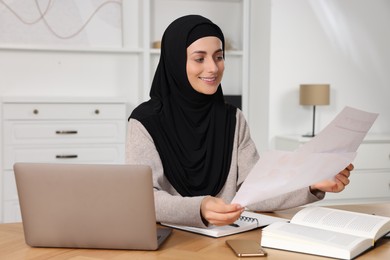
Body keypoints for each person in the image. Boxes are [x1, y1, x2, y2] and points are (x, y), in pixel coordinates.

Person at [126, 15, 353, 228]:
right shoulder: (144, 122)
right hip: (171, 244)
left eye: (219, 56)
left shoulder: (233, 119)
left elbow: (253, 191)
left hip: (227, 240)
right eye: (199, 58)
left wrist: (312, 183)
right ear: (175, 61)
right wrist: (200, 207)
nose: (213, 68)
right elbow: (143, 198)